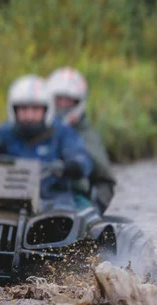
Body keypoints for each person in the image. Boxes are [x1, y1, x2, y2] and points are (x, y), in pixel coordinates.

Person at [0, 74, 93, 212]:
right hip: (7, 199)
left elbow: (81, 159)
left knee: (64, 222)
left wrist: (65, 166)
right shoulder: (6, 132)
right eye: (23, 109)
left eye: (35, 109)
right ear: (13, 110)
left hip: (52, 200)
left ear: (47, 110)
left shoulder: (62, 133)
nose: (29, 115)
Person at [47, 67, 116, 214]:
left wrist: (94, 210)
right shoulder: (35, 128)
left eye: (67, 101)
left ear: (78, 102)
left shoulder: (87, 136)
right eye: (58, 100)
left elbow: (106, 181)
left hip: (74, 197)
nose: (62, 106)